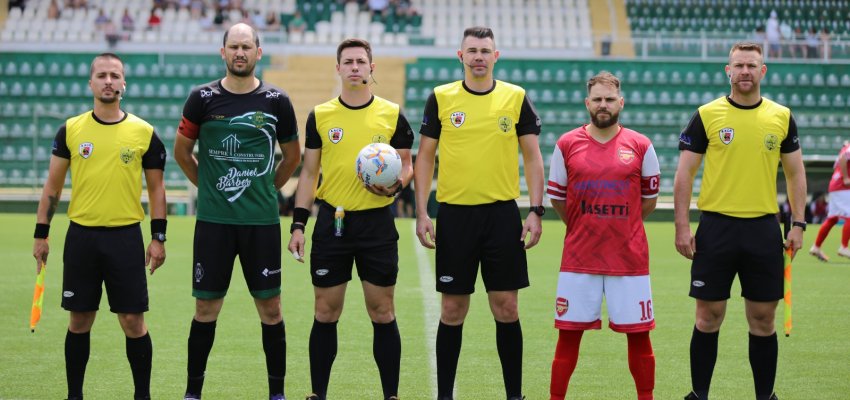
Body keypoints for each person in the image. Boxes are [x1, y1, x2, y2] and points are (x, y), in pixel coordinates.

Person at [414, 26, 544, 400]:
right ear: (460, 56)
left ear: (496, 56)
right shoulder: (440, 98)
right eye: (472, 50)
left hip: (502, 216)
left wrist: (535, 211)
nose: (479, 57)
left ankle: (514, 395)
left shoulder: (515, 97)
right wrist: (422, 212)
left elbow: (533, 158)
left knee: (506, 307)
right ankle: (444, 395)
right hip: (455, 216)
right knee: (453, 309)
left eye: (485, 51)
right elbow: (425, 156)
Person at [173, 23, 301, 400]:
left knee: (272, 309)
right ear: (223, 52)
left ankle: (276, 394)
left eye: (247, 46)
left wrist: (263, 188)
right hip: (214, 223)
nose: (240, 52)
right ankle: (192, 393)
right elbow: (182, 153)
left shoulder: (277, 100)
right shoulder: (202, 97)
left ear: (259, 52)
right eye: (234, 46)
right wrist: (210, 188)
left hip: (261, 224)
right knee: (205, 309)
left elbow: (292, 157)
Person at [674, 42, 806, 400]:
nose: (745, 71)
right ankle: (699, 394)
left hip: (763, 229)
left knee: (763, 319)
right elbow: (685, 173)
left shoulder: (781, 116)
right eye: (739, 65)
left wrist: (798, 223)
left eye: (752, 65)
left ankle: (765, 396)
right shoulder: (706, 115)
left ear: (763, 72)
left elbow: (795, 174)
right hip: (716, 228)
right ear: (727, 71)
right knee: (708, 316)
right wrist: (682, 226)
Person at [32, 52, 167, 400]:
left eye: (115, 75)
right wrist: (41, 234)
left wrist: (158, 238)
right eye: (102, 75)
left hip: (125, 238)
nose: (109, 81)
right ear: (90, 83)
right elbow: (53, 187)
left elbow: (156, 189)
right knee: (79, 321)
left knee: (133, 322)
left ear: (124, 83)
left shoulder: (144, 133)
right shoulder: (72, 129)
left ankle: (142, 395)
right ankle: (74, 395)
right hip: (82, 238)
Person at [288, 37, 413, 400]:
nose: (355, 67)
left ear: (371, 68)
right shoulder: (321, 115)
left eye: (362, 61)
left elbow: (406, 164)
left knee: (382, 310)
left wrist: (395, 187)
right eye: (349, 61)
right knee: (325, 311)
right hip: (333, 222)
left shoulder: (392, 112)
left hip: (376, 222)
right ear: (338, 68)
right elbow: (309, 174)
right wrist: (299, 224)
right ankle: (318, 394)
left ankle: (391, 394)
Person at [546, 71, 660, 400]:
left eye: (609, 99)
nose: (603, 105)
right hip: (579, 258)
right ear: (587, 103)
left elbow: (648, 200)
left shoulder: (641, 145)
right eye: (597, 99)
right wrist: (584, 225)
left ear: (621, 102)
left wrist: (623, 226)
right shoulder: (566, 144)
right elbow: (558, 198)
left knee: (640, 337)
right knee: (567, 337)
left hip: (629, 258)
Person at [810, 142, 850, 261]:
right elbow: (844, 157)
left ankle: (816, 247)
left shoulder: (846, 146)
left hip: (836, 186)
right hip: (842, 186)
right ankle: (844, 246)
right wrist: (846, 177)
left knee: (832, 218)